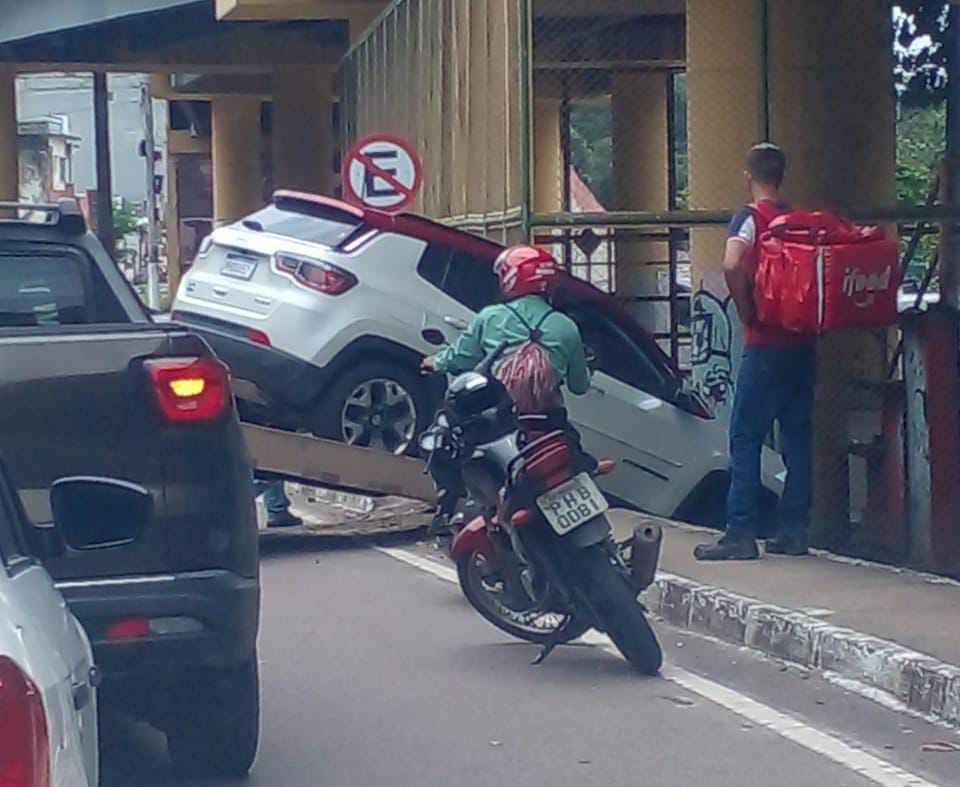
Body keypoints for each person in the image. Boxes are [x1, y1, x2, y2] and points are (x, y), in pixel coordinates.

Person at [694, 143, 816, 562]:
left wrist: (747, 309)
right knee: (798, 439)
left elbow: (731, 263)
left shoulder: (751, 217)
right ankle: (795, 531)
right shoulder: (796, 219)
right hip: (802, 344)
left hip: (764, 345)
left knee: (745, 438)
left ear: (749, 175)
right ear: (781, 175)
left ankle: (740, 533)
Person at [421, 244, 592, 532]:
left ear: (511, 279)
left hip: (502, 422)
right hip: (551, 422)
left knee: (452, 444)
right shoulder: (566, 327)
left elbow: (458, 357)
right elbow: (579, 386)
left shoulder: (490, 318)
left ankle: (452, 513)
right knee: (580, 462)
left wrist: (433, 361)